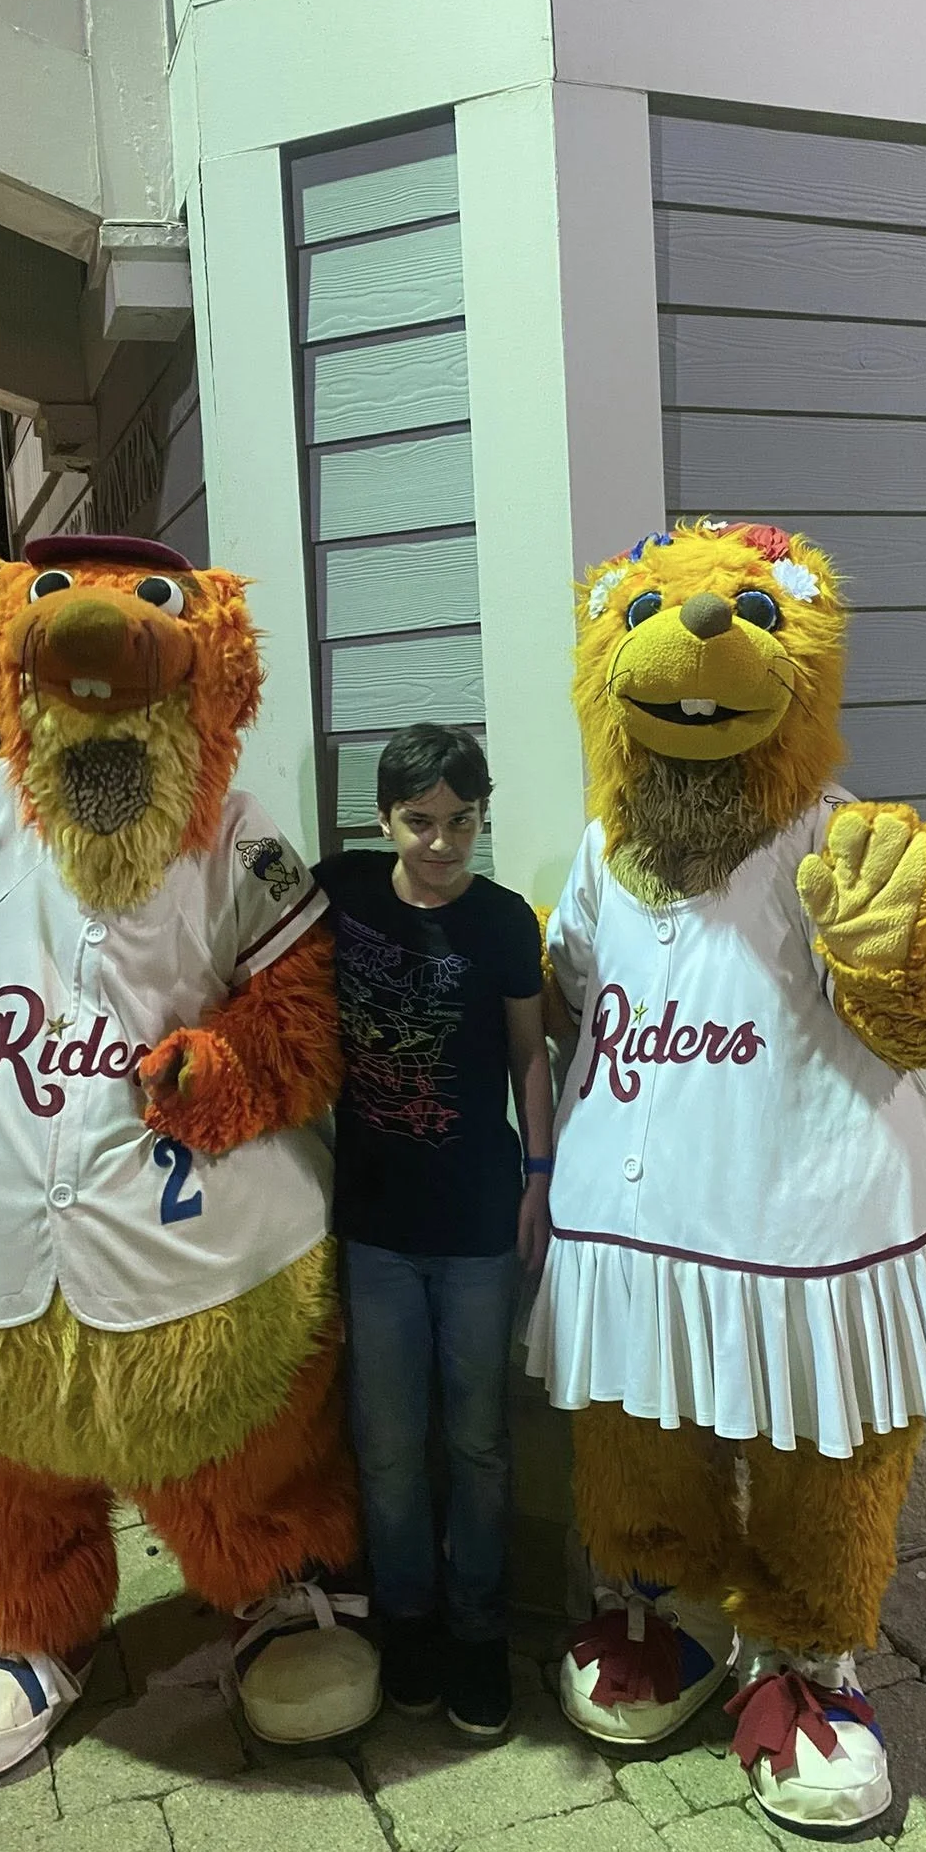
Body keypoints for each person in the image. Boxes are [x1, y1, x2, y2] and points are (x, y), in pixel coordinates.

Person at [313, 724, 553, 1741]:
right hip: (373, 1222)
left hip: (475, 1224)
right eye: (421, 820)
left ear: (481, 817)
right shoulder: (344, 892)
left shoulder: (501, 921)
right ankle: (406, 1618)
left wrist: (539, 1174)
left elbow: (530, 1057)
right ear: (384, 819)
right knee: (390, 1443)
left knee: (480, 1439)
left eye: (461, 820)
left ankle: (478, 1631)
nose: (442, 841)